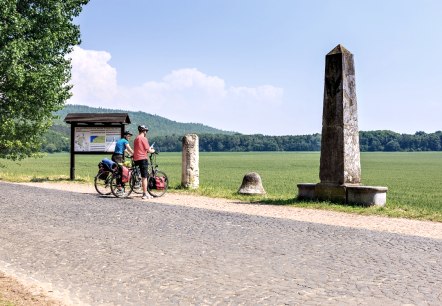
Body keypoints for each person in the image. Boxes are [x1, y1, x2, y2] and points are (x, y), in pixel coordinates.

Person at [133, 125, 155, 200]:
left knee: (142, 175)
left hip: (136, 159)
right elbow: (148, 150)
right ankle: (145, 194)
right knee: (144, 177)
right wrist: (153, 150)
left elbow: (140, 149)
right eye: (146, 131)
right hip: (143, 159)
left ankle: (141, 187)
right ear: (144, 131)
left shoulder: (136, 138)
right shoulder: (143, 138)